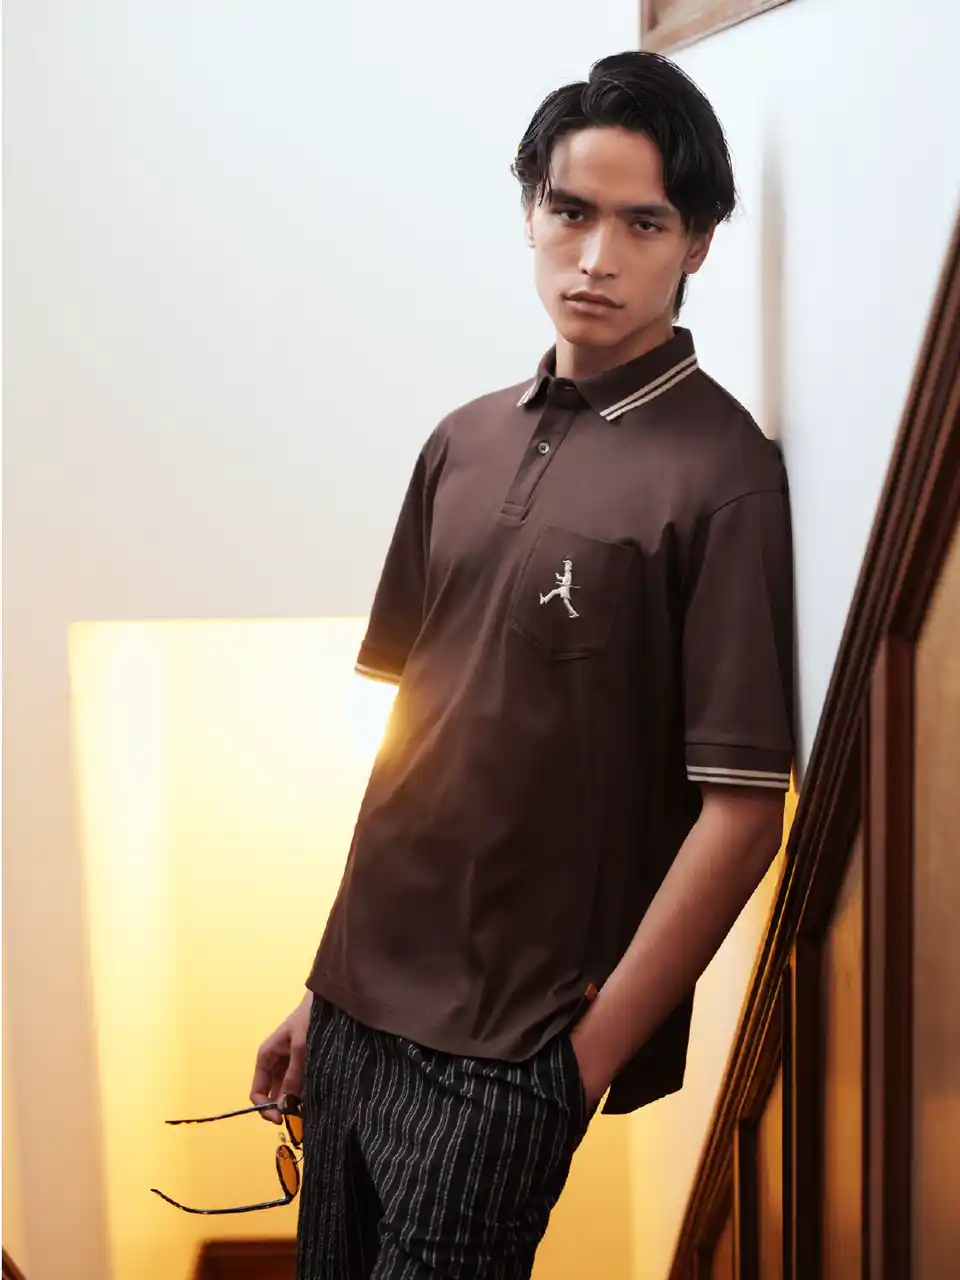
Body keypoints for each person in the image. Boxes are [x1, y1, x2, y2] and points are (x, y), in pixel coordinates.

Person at [251, 49, 795, 1279]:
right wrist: (324, 988)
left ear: (698, 242)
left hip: (508, 1061)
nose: (596, 256)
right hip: (355, 1020)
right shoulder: (460, 441)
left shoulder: (723, 478)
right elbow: (417, 747)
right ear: (532, 214)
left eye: (642, 223)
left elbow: (743, 815)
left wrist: (577, 1067)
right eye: (571, 210)